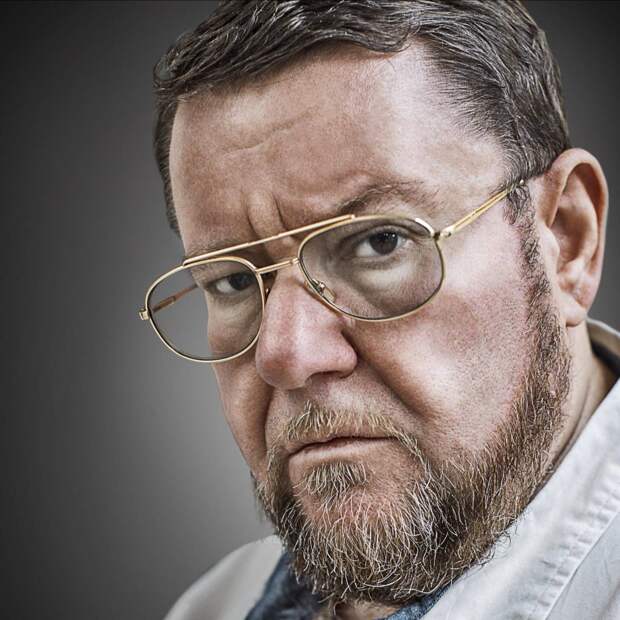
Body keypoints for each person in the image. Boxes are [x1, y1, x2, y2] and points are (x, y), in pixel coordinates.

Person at [138, 1, 620, 618]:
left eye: (380, 242)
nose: (285, 354)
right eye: (232, 280)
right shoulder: (213, 606)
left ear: (567, 240)